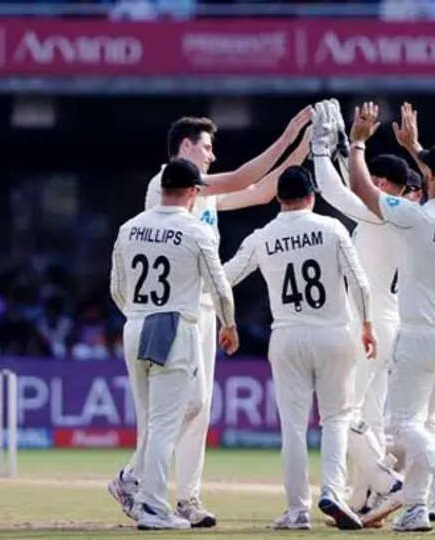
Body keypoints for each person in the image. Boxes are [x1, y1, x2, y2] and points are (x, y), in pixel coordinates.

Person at [114, 108, 310, 528]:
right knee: (169, 409)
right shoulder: (165, 184)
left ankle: (171, 491)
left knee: (197, 406)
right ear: (185, 148)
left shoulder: (204, 193)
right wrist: (290, 133)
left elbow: (260, 191)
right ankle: (147, 487)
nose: (212, 155)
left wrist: (310, 148)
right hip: (173, 312)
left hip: (200, 308)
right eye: (206, 147)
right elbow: (241, 177)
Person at [330, 101, 435, 533]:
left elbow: (364, 191)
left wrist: (357, 144)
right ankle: (415, 509)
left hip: (420, 336)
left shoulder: (417, 219)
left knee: (403, 423)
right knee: (426, 423)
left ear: (428, 176)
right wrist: (416, 148)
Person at [223, 165, 375, 531]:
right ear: (312, 196)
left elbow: (225, 276)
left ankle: (296, 510)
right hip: (335, 333)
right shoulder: (332, 228)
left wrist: (225, 319)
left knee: (292, 427)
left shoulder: (263, 235)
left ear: (278, 199)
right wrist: (367, 323)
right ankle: (334, 492)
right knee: (336, 418)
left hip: (288, 336)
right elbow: (359, 282)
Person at [109, 158, 238, 530]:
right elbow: (219, 287)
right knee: (164, 423)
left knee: (173, 411)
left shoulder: (130, 227)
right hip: (175, 325)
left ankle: (135, 482)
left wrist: (137, 315)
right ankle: (151, 507)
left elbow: (117, 287)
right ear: (194, 193)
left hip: (135, 324)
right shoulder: (196, 230)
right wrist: (229, 324)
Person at [311, 100, 412, 526]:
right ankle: (366, 500)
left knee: (341, 415)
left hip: (366, 326)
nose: (364, 186)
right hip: (388, 325)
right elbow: (344, 188)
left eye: (371, 182)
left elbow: (332, 191)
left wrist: (325, 148)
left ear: (384, 185)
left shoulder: (380, 213)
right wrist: (344, 149)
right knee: (367, 416)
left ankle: (390, 484)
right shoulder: (406, 216)